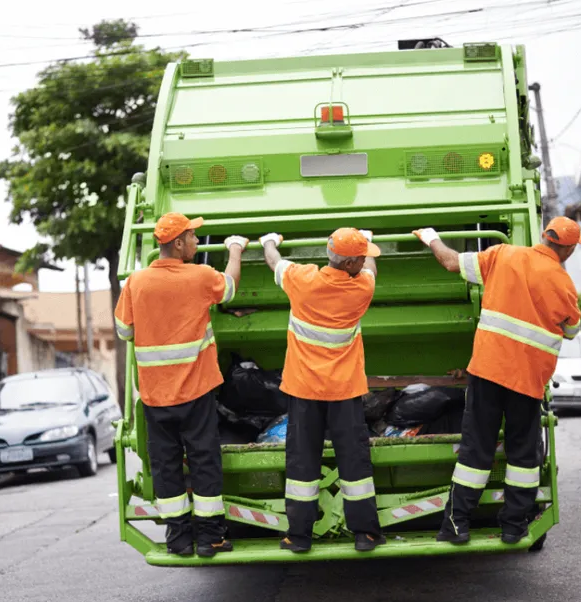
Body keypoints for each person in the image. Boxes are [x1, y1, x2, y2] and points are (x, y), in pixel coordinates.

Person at [413, 216, 581, 545]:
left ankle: (456, 525)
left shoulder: (502, 255)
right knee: (523, 456)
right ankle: (513, 527)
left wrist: (431, 237)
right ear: (569, 249)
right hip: (527, 383)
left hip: (488, 373)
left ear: (546, 237)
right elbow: (572, 331)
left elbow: (450, 262)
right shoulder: (565, 285)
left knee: (476, 450)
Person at [114, 212, 247, 558]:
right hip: (196, 390)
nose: (197, 242)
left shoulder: (135, 282)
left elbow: (124, 331)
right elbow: (229, 288)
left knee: (166, 464)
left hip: (156, 395)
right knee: (204, 460)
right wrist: (235, 250)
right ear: (177, 243)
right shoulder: (199, 276)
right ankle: (210, 538)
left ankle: (178, 539)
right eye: (192, 236)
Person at [261, 228, 387, 553]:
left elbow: (274, 262)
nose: (366, 260)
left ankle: (299, 536)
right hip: (344, 392)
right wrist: (368, 238)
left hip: (303, 391)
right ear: (351, 264)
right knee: (354, 462)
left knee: (302, 462)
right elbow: (372, 270)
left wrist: (269, 242)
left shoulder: (301, 281)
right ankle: (365, 534)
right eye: (362, 255)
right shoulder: (361, 289)